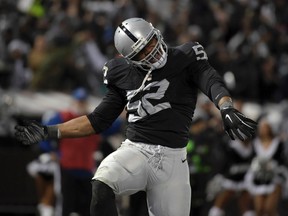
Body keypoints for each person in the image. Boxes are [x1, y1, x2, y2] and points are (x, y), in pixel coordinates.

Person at [15, 17, 257, 216]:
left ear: (156, 33)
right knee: (102, 184)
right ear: (129, 60)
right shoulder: (121, 73)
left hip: (174, 160)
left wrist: (226, 107)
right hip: (137, 150)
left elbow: (211, 80)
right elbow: (97, 120)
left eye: (151, 42)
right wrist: (49, 131)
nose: (152, 51)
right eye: (142, 52)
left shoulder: (185, 56)